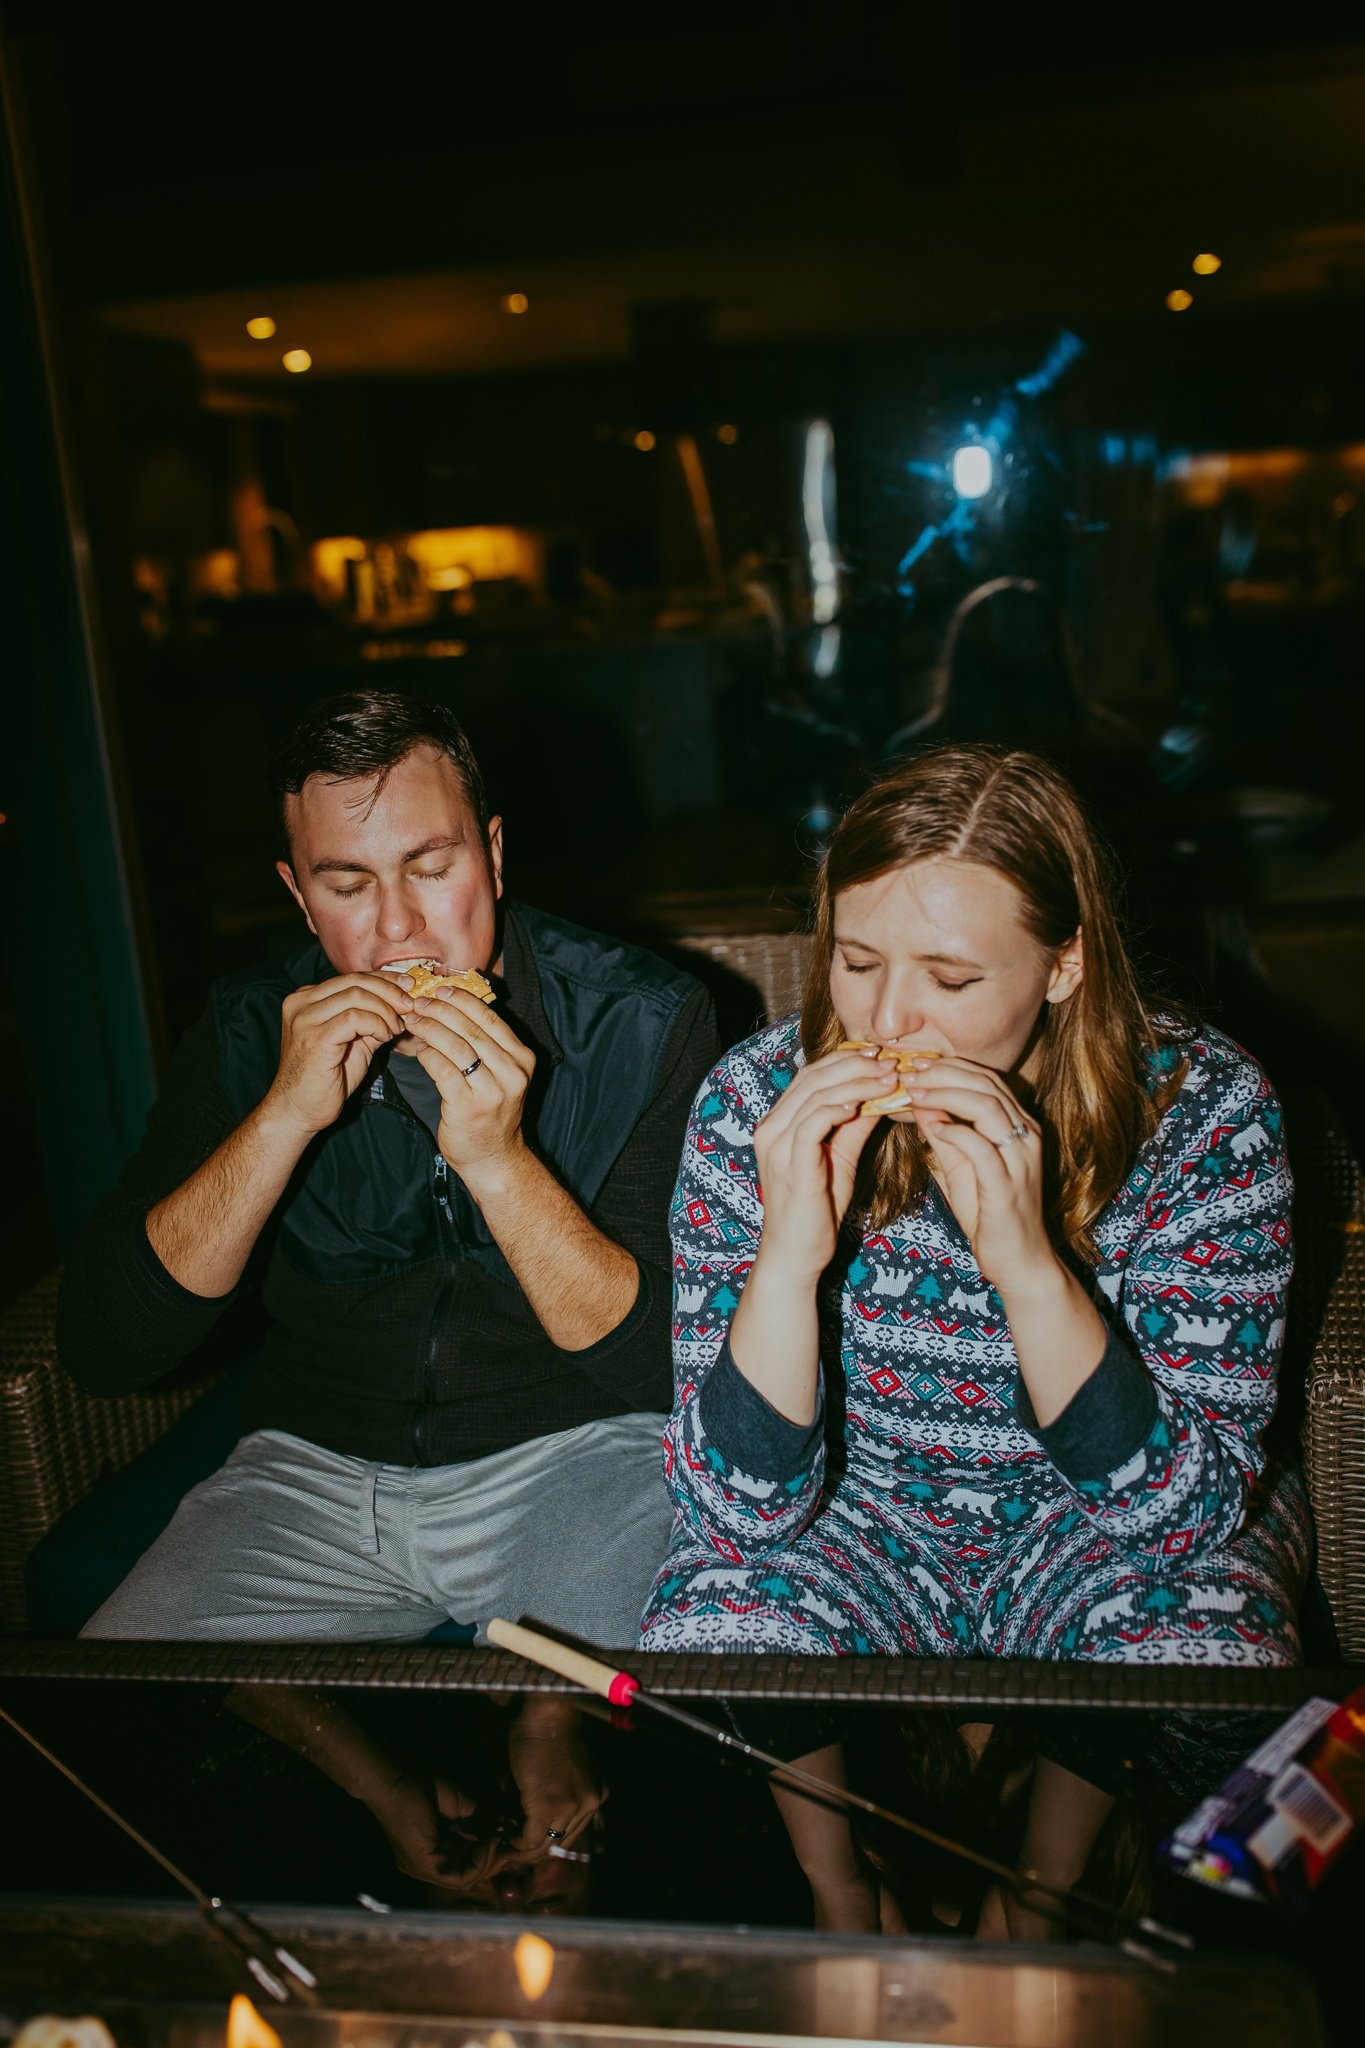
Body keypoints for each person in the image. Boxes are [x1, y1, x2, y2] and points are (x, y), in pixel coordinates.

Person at [640, 742, 1310, 1932]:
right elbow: (733, 1513)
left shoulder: (1208, 1112)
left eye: (949, 978)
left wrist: (1027, 1262)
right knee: (704, 1649)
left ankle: (1042, 1894)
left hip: (1091, 1523)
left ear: (1063, 967)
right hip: (864, 1509)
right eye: (855, 960)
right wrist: (791, 1252)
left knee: (1218, 1681)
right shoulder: (755, 1100)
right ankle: (840, 1886)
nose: (886, 1019)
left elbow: (1183, 1517)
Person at [62, 690, 717, 1647]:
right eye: (347, 883)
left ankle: (533, 1730)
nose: (398, 930)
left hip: (581, 1452)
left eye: (430, 867)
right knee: (105, 1711)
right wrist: (280, 1120)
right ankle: (396, 1794)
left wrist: (501, 1165)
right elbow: (104, 1350)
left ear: (492, 854)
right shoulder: (250, 1029)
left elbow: (669, 1365)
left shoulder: (646, 1020)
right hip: (306, 1469)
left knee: (674, 1695)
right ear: (296, 893)